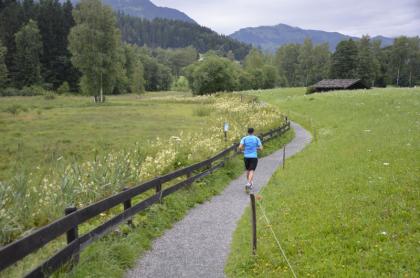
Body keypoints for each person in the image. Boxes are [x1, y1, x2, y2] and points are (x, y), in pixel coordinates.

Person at [239, 128, 263, 193]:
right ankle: (248, 183)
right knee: (252, 170)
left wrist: (242, 151)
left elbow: (240, 147)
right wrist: (256, 148)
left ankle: (250, 183)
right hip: (254, 157)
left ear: (248, 132)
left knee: (248, 170)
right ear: (253, 132)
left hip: (246, 156)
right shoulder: (256, 138)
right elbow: (261, 148)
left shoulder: (244, 138)